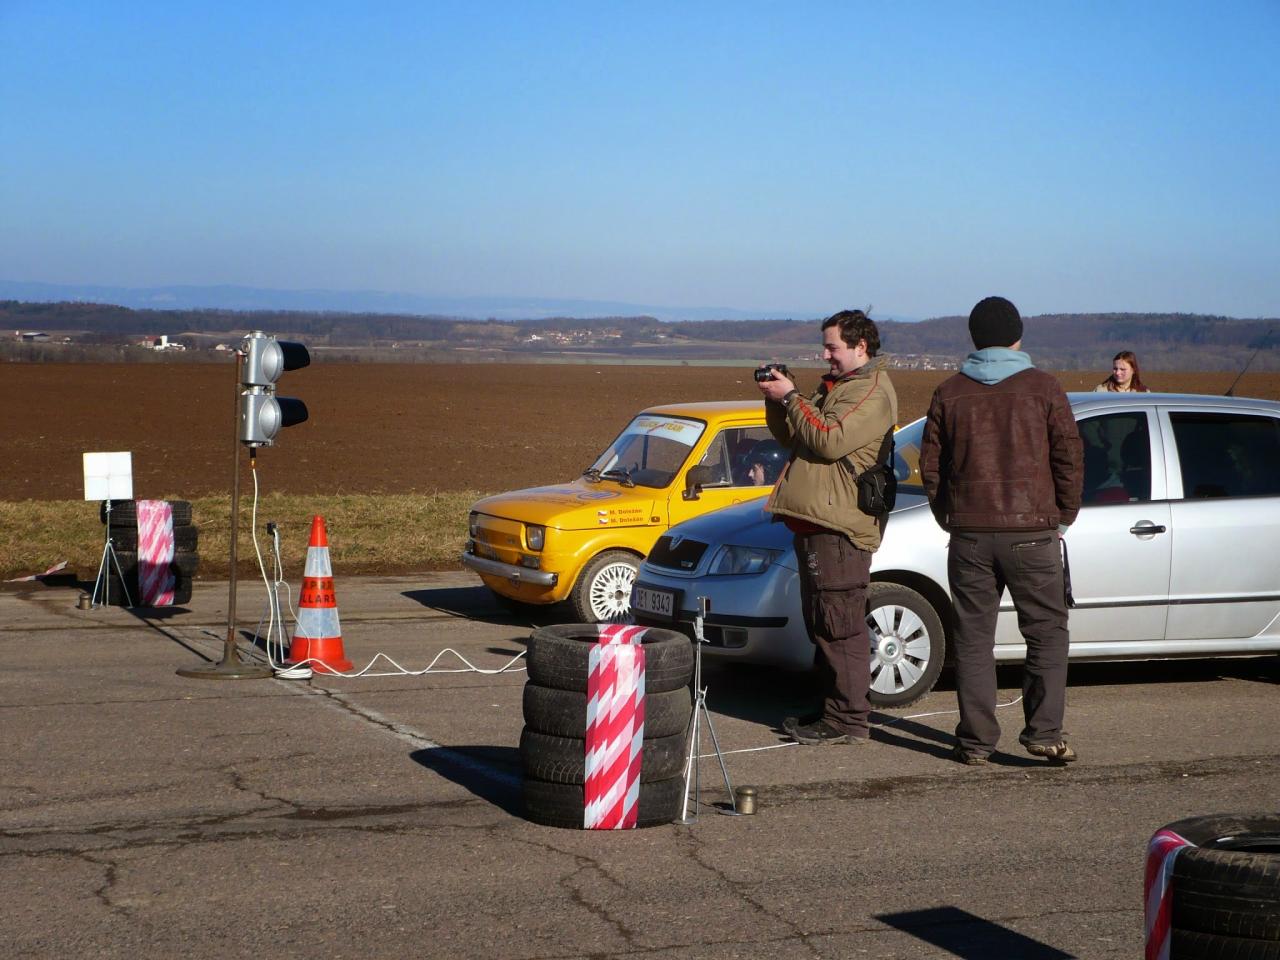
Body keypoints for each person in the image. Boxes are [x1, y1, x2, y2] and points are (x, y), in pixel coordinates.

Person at [919, 296, 1083, 765]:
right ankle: (1044, 732)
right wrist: (1064, 516)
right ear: (1018, 337)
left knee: (973, 639)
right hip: (1034, 532)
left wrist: (950, 516)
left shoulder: (949, 391)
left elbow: (931, 467)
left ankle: (975, 741)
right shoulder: (1044, 387)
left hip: (969, 533)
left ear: (974, 338)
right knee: (1046, 633)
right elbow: (1069, 456)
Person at [756, 309, 898, 745]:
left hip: (840, 526)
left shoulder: (871, 391)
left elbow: (828, 439)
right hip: (819, 520)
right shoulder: (838, 387)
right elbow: (795, 437)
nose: (826, 355)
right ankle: (833, 709)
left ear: (861, 346)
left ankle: (848, 719)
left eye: (833, 347)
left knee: (840, 623)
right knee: (823, 622)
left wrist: (792, 397)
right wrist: (778, 400)